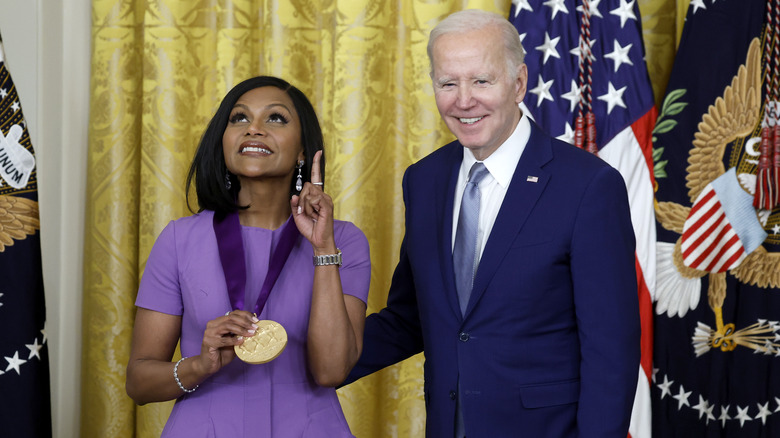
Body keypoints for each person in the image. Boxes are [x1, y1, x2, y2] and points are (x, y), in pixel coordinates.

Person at [343, 9, 640, 438]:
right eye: (448, 83)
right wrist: (308, 358)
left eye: (482, 81)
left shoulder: (588, 186)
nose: (464, 100)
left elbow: (610, 351)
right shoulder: (424, 180)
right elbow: (412, 319)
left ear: (518, 83)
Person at [126, 76, 370, 437]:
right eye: (239, 118)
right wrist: (199, 365)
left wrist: (322, 248)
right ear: (223, 141)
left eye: (275, 119)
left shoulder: (343, 241)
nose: (253, 129)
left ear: (303, 150)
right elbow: (139, 382)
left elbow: (331, 371)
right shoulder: (179, 239)